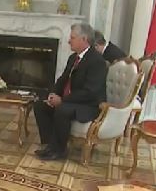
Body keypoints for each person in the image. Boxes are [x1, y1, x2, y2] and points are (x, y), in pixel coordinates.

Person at [33, 23, 108, 161]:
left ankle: (59, 150)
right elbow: (62, 80)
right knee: (39, 104)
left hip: (88, 105)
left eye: (72, 37)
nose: (69, 40)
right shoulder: (73, 58)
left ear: (84, 39)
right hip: (72, 101)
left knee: (62, 109)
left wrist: (62, 100)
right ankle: (50, 145)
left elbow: (89, 92)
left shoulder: (97, 61)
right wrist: (52, 95)